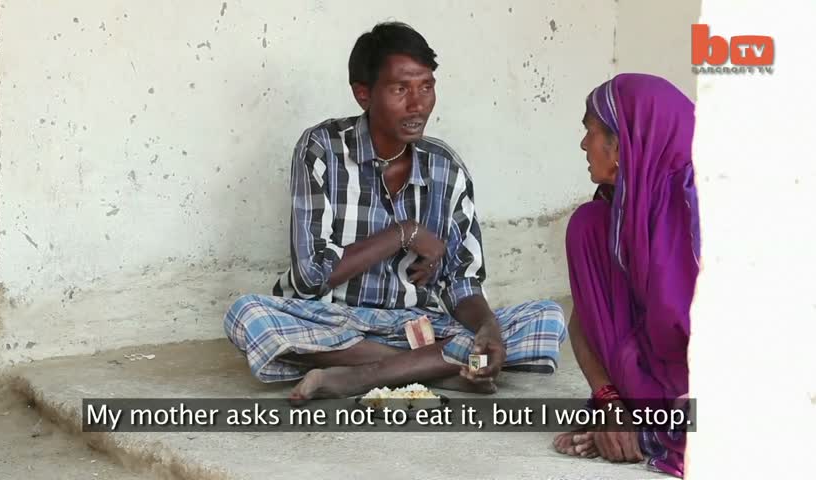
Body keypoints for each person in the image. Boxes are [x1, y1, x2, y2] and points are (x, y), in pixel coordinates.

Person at [223, 22, 566, 404]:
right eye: (401, 89)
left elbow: (461, 282)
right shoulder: (321, 149)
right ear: (363, 94)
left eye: (427, 86)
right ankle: (440, 369)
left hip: (419, 327)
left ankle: (365, 374)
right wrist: (402, 233)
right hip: (335, 321)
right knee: (248, 316)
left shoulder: (445, 167)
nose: (418, 104)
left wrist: (487, 328)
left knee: (546, 319)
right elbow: (309, 277)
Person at [552, 73, 699, 477]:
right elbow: (583, 324)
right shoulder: (614, 217)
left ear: (622, 143)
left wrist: (649, 436)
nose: (584, 145)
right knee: (586, 224)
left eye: (591, 131)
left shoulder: (699, 210)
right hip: (655, 391)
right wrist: (610, 403)